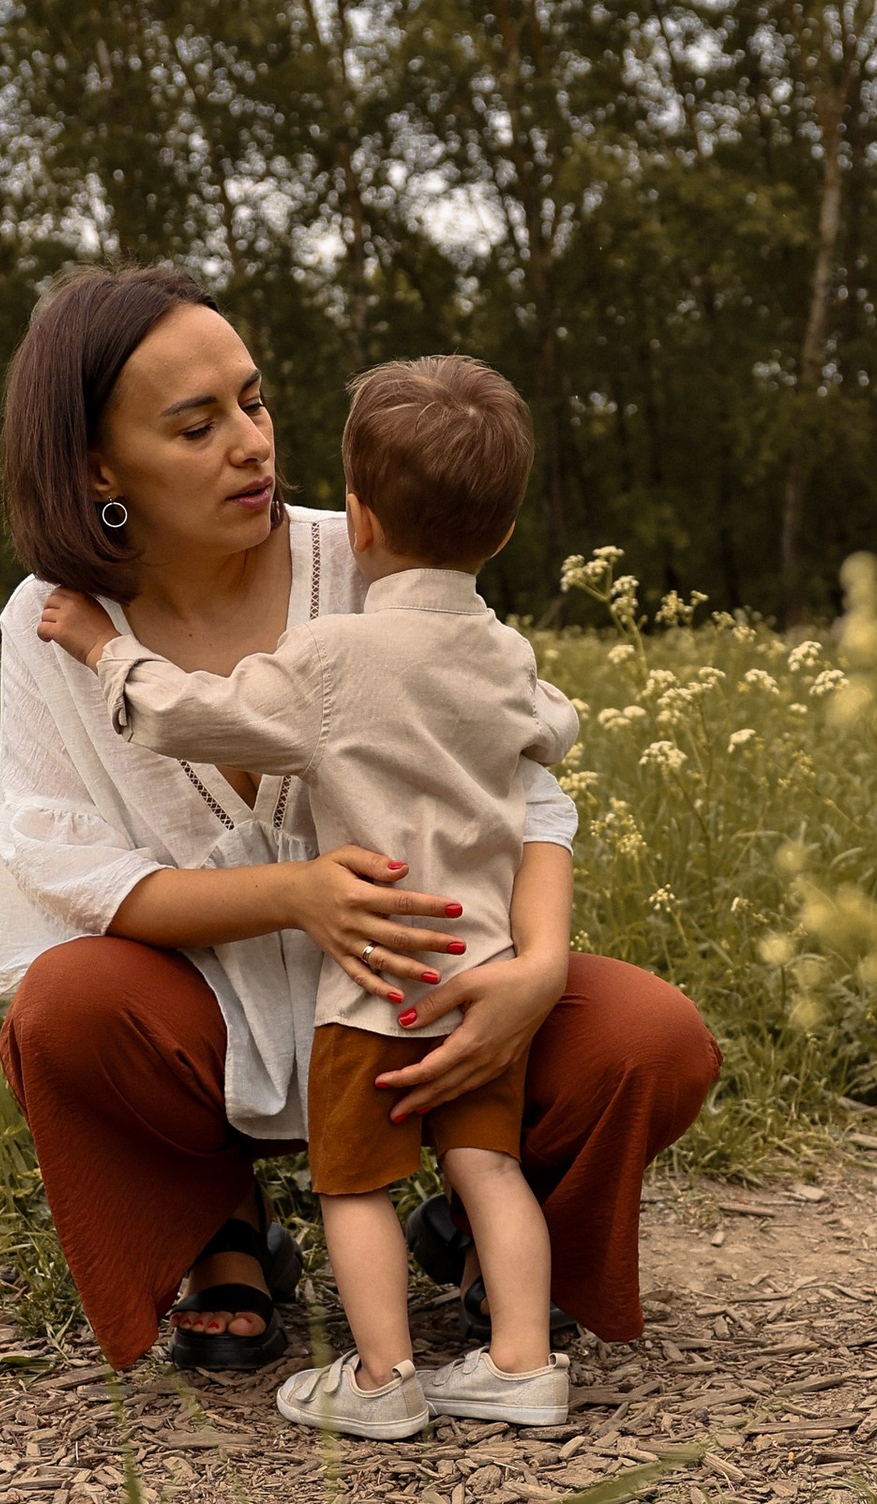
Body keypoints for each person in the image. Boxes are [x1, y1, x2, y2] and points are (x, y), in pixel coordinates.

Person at [0, 262, 721, 1382]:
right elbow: (57, 858)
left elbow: (526, 787)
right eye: (196, 425)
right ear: (99, 466)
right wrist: (291, 895)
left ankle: (492, 1230)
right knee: (61, 1009)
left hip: (427, 987)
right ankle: (219, 1231)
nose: (252, 443)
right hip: (204, 1002)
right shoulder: (53, 621)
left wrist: (538, 965)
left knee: (649, 1041)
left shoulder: (379, 556)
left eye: (255, 399)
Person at [40, 355, 579, 1439]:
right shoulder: (507, 655)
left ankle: (383, 1379)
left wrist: (106, 649)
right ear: (505, 535)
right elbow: (552, 735)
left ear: (362, 519)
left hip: (372, 984)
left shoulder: (328, 657)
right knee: (488, 1166)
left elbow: (195, 719)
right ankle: (521, 1364)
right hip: (483, 979)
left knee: (352, 1184)